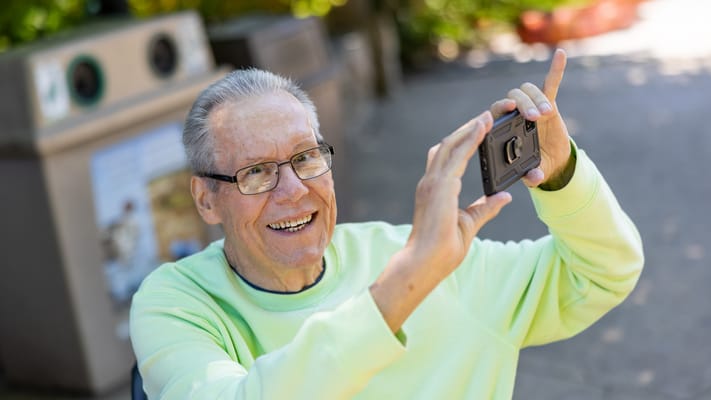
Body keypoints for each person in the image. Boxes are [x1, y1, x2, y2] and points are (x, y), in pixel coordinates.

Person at [130, 49, 643, 399]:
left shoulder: (428, 256)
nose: (292, 190)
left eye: (307, 158)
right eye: (256, 173)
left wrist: (561, 174)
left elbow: (604, 272)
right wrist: (409, 281)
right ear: (206, 200)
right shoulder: (177, 301)